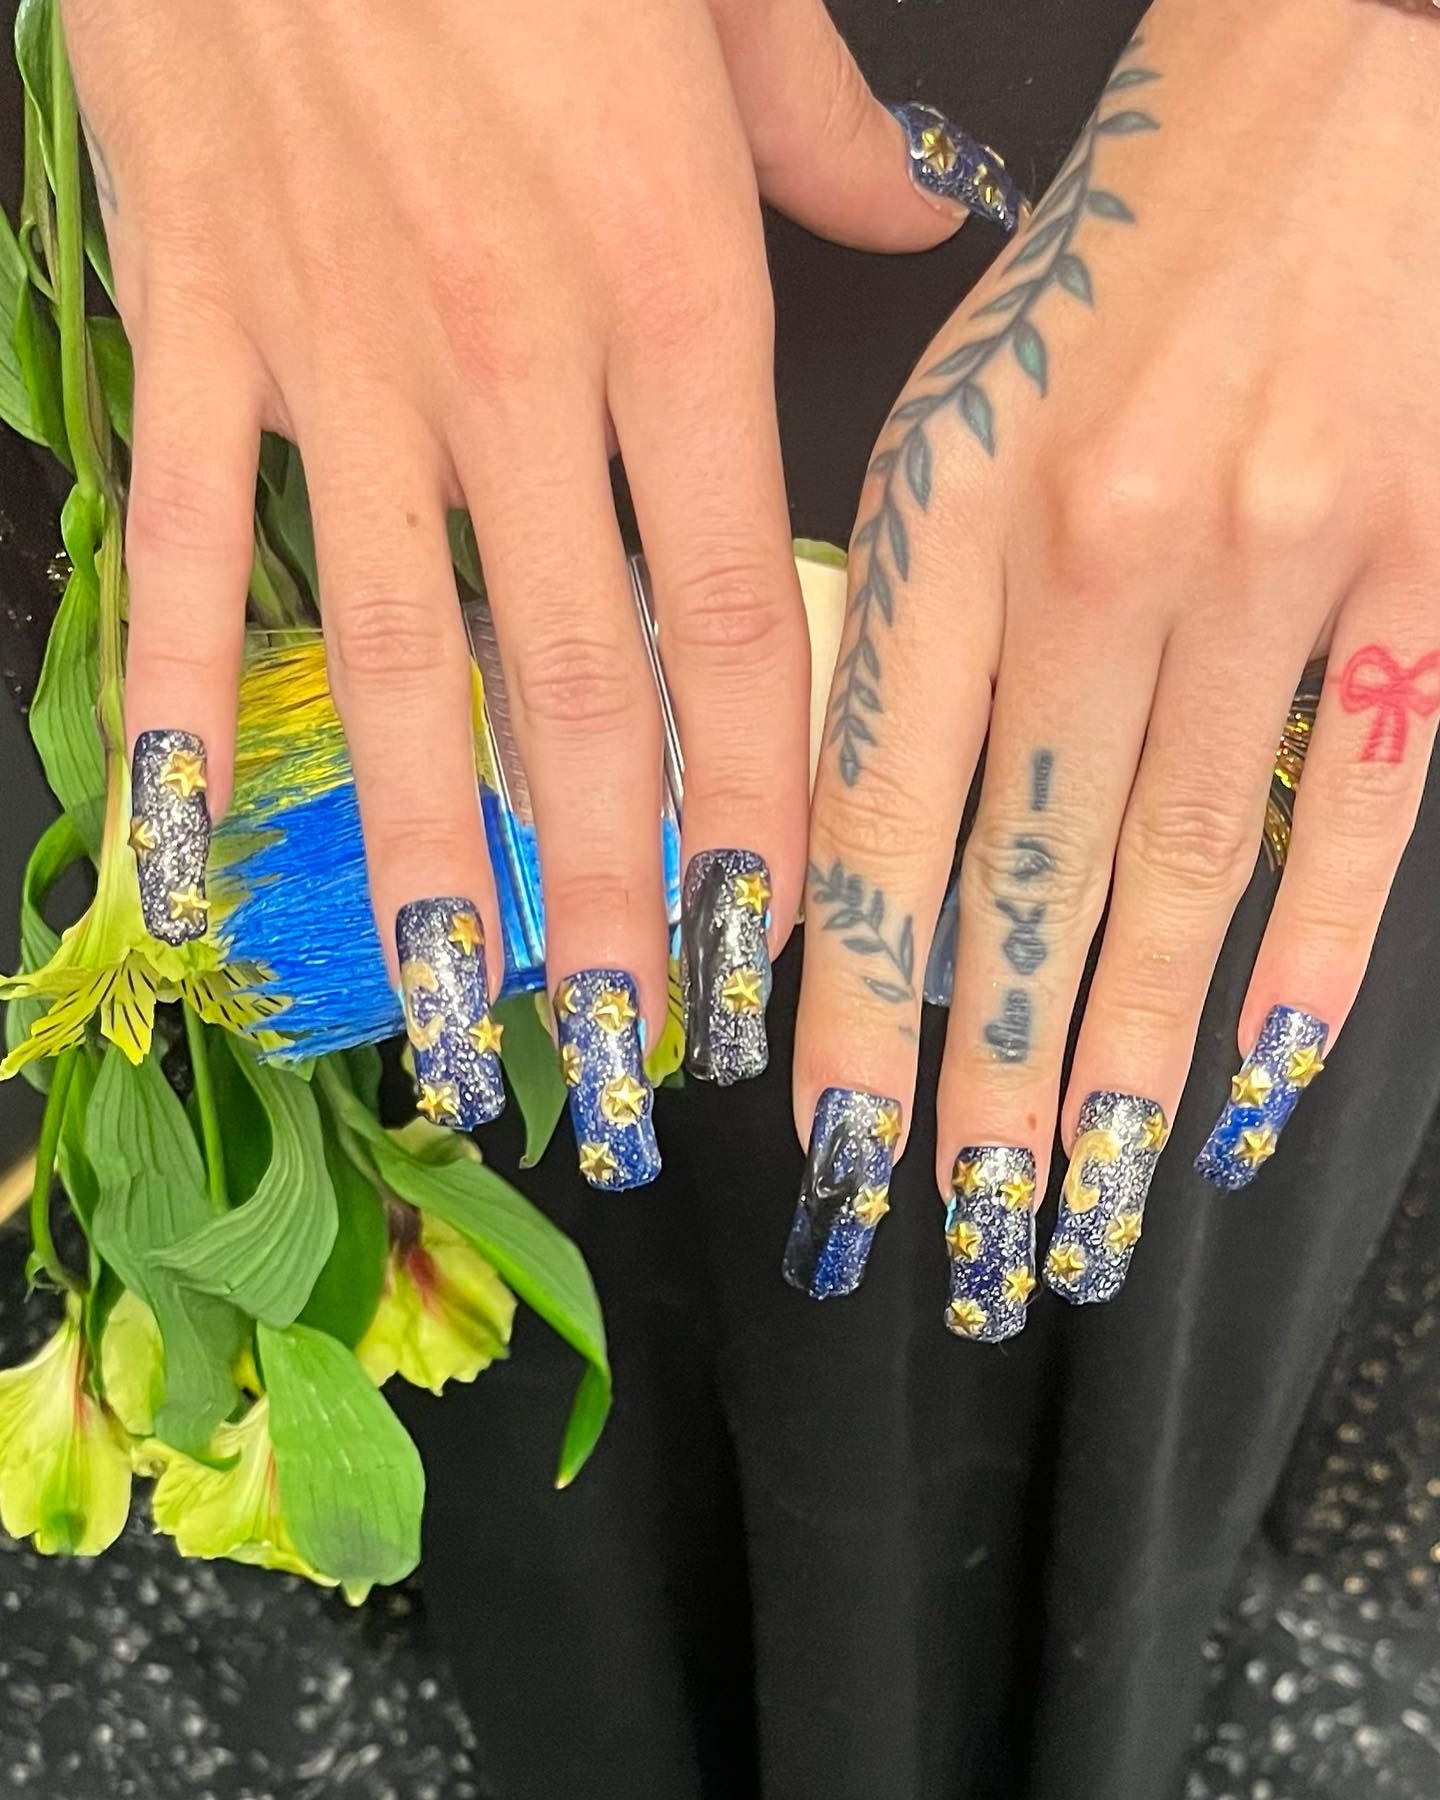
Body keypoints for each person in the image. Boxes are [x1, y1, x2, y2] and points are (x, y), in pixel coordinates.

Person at [62, 0, 1440, 1792]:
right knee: (531, 1164)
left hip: (1301, 318)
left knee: (1146, 1040)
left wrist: (1380, 80)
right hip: (385, 154)